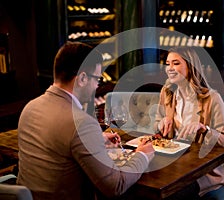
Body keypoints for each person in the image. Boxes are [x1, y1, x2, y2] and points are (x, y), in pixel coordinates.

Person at [17, 41, 155, 200]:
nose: (97, 85)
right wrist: (143, 156)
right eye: (97, 79)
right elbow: (116, 185)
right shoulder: (81, 123)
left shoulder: (30, 108)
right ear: (82, 78)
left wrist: (97, 138)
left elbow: (59, 144)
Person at [154, 46, 224, 199]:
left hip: (201, 172)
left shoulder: (212, 98)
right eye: (167, 63)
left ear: (190, 66)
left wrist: (205, 129)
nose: (170, 68)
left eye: (176, 63)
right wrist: (162, 122)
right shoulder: (167, 92)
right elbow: (157, 123)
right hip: (172, 165)